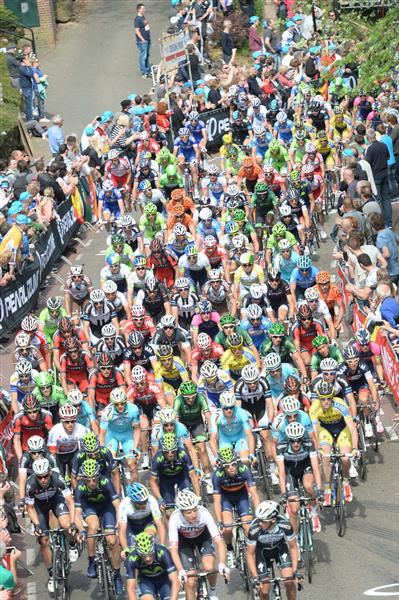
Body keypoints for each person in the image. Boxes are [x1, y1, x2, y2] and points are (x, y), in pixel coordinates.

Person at [134, 3, 151, 78]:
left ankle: (147, 69)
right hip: (142, 41)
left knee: (147, 55)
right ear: (139, 9)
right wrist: (143, 39)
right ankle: (144, 72)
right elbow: (137, 31)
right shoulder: (137, 19)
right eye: (143, 9)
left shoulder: (142, 17)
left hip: (147, 39)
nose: (144, 10)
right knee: (143, 56)